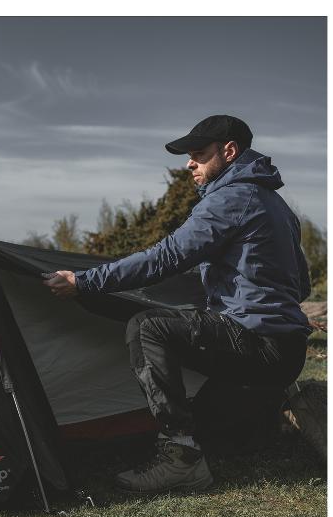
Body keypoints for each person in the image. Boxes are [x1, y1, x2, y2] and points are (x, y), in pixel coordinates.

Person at [42, 115, 311, 493]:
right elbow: (300, 283)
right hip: (288, 353)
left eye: (198, 155)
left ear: (229, 151)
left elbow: (166, 257)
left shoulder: (231, 197)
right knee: (221, 433)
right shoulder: (277, 205)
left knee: (148, 326)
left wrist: (85, 280)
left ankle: (180, 458)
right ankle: (255, 421)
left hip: (258, 346)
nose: (189, 164)